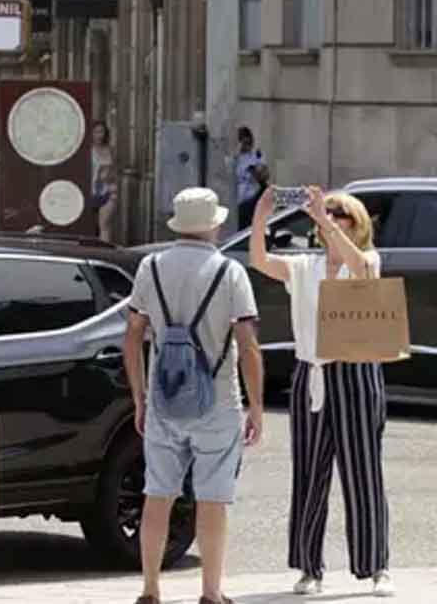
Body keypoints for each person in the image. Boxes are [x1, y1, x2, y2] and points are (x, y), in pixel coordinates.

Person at [248, 186, 394, 598]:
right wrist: (261, 215)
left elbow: (363, 269)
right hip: (311, 374)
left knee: (363, 471)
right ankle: (309, 567)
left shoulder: (365, 260)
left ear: (356, 223)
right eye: (326, 214)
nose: (329, 220)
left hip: (356, 372)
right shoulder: (304, 267)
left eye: (339, 215)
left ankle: (376, 565)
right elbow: (259, 261)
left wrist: (326, 222)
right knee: (310, 475)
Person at [124, 187, 265, 604]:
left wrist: (139, 397)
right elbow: (248, 343)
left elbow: (133, 335)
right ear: (214, 225)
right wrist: (256, 406)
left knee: (158, 495)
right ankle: (211, 593)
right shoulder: (230, 272)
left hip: (164, 400)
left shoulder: (150, 267)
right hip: (218, 401)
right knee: (213, 500)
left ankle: (150, 590)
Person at [92, 121, 119, 241]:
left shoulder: (110, 150)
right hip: (89, 191)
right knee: (90, 226)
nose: (99, 135)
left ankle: (105, 251)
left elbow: (115, 172)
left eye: (101, 132)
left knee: (105, 225)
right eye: (96, 132)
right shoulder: (88, 150)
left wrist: (114, 192)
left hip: (107, 191)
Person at [234, 128, 267, 227]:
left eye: (249, 142)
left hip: (251, 197)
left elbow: (264, 175)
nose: (247, 145)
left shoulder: (255, 155)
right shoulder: (235, 157)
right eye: (244, 142)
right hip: (237, 200)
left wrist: (254, 170)